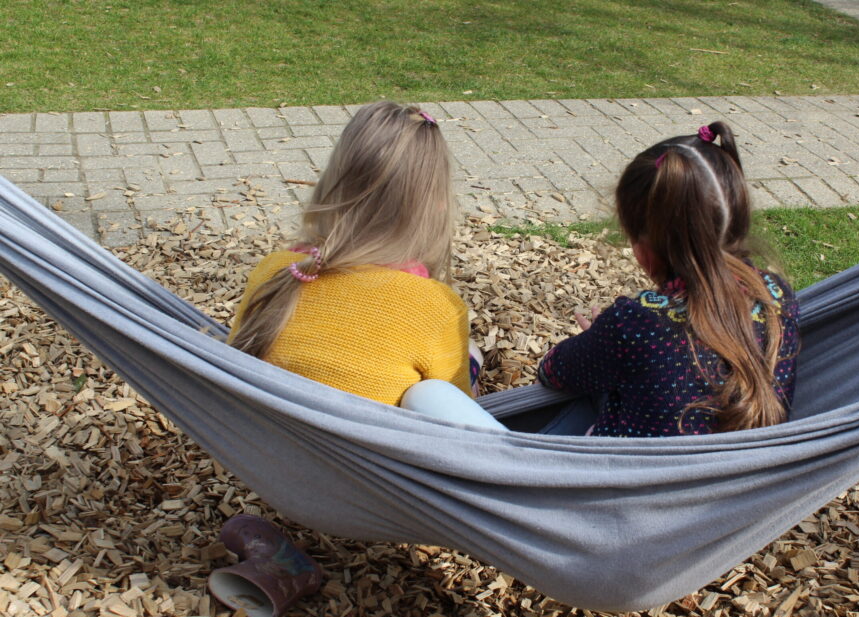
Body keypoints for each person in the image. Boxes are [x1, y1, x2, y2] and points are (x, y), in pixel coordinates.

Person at [229, 101, 503, 429]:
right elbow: (457, 418)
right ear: (437, 206)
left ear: (331, 185)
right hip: (373, 458)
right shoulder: (435, 308)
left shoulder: (275, 271)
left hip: (265, 444)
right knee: (464, 360)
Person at [537, 122, 800, 437]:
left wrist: (601, 341)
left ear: (643, 245)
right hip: (750, 466)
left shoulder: (634, 324)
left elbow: (553, 372)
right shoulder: (777, 296)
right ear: (738, 218)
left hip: (633, 467)